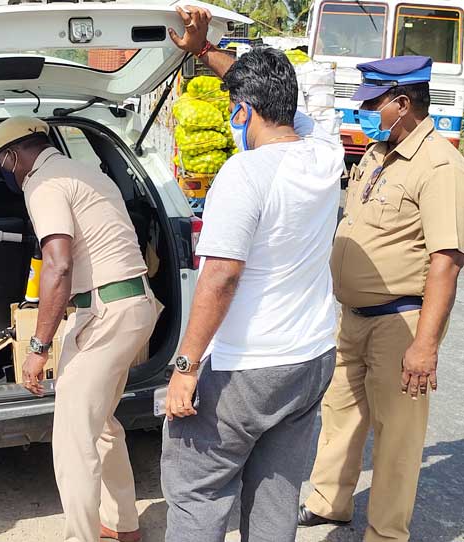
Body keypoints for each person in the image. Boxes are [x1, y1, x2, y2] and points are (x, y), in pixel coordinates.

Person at [161, 7, 345, 541]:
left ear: (242, 112)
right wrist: (202, 52)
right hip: (310, 359)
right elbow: (275, 104)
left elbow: (220, 278)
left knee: (198, 495)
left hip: (244, 370)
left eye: (234, 112)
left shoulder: (243, 174)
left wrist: (185, 366)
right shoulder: (324, 154)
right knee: (275, 497)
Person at [299, 56, 464, 541]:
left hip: (401, 322)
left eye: (372, 104)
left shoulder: (440, 166)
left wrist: (425, 346)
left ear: (402, 103)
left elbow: (447, 261)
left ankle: (386, 532)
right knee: (341, 412)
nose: (364, 113)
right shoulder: (377, 152)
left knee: (396, 437)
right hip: (354, 317)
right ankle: (330, 502)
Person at [0, 117, 161, 542]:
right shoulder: (84, 171)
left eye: (1, 165)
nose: (6, 174)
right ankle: (121, 525)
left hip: (106, 311)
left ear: (12, 156)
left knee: (71, 436)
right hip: (131, 305)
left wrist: (38, 345)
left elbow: (59, 264)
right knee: (99, 422)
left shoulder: (44, 184)